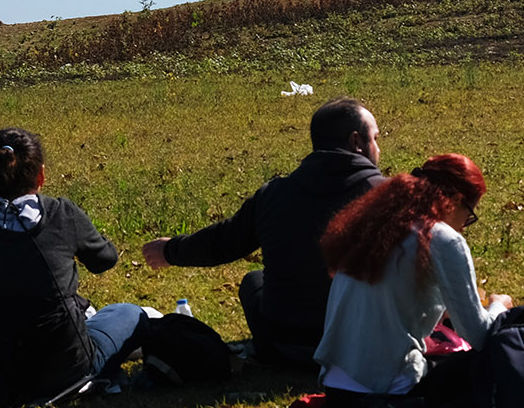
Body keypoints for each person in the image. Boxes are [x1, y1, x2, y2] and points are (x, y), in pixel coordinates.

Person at [142, 98, 384, 369]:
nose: (378, 147)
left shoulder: (274, 194)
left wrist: (170, 251)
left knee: (253, 282)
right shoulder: (386, 198)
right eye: (375, 138)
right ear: (356, 142)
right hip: (360, 343)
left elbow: (224, 241)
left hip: (284, 346)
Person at [0, 128, 145, 408]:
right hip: (63, 367)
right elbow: (105, 259)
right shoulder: (62, 213)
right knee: (130, 314)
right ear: (40, 175)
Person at [313, 154, 512, 408]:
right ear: (455, 201)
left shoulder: (374, 226)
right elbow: (478, 335)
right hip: (387, 388)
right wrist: (499, 307)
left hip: (337, 389)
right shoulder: (443, 239)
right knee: (490, 362)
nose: (464, 226)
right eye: (469, 215)